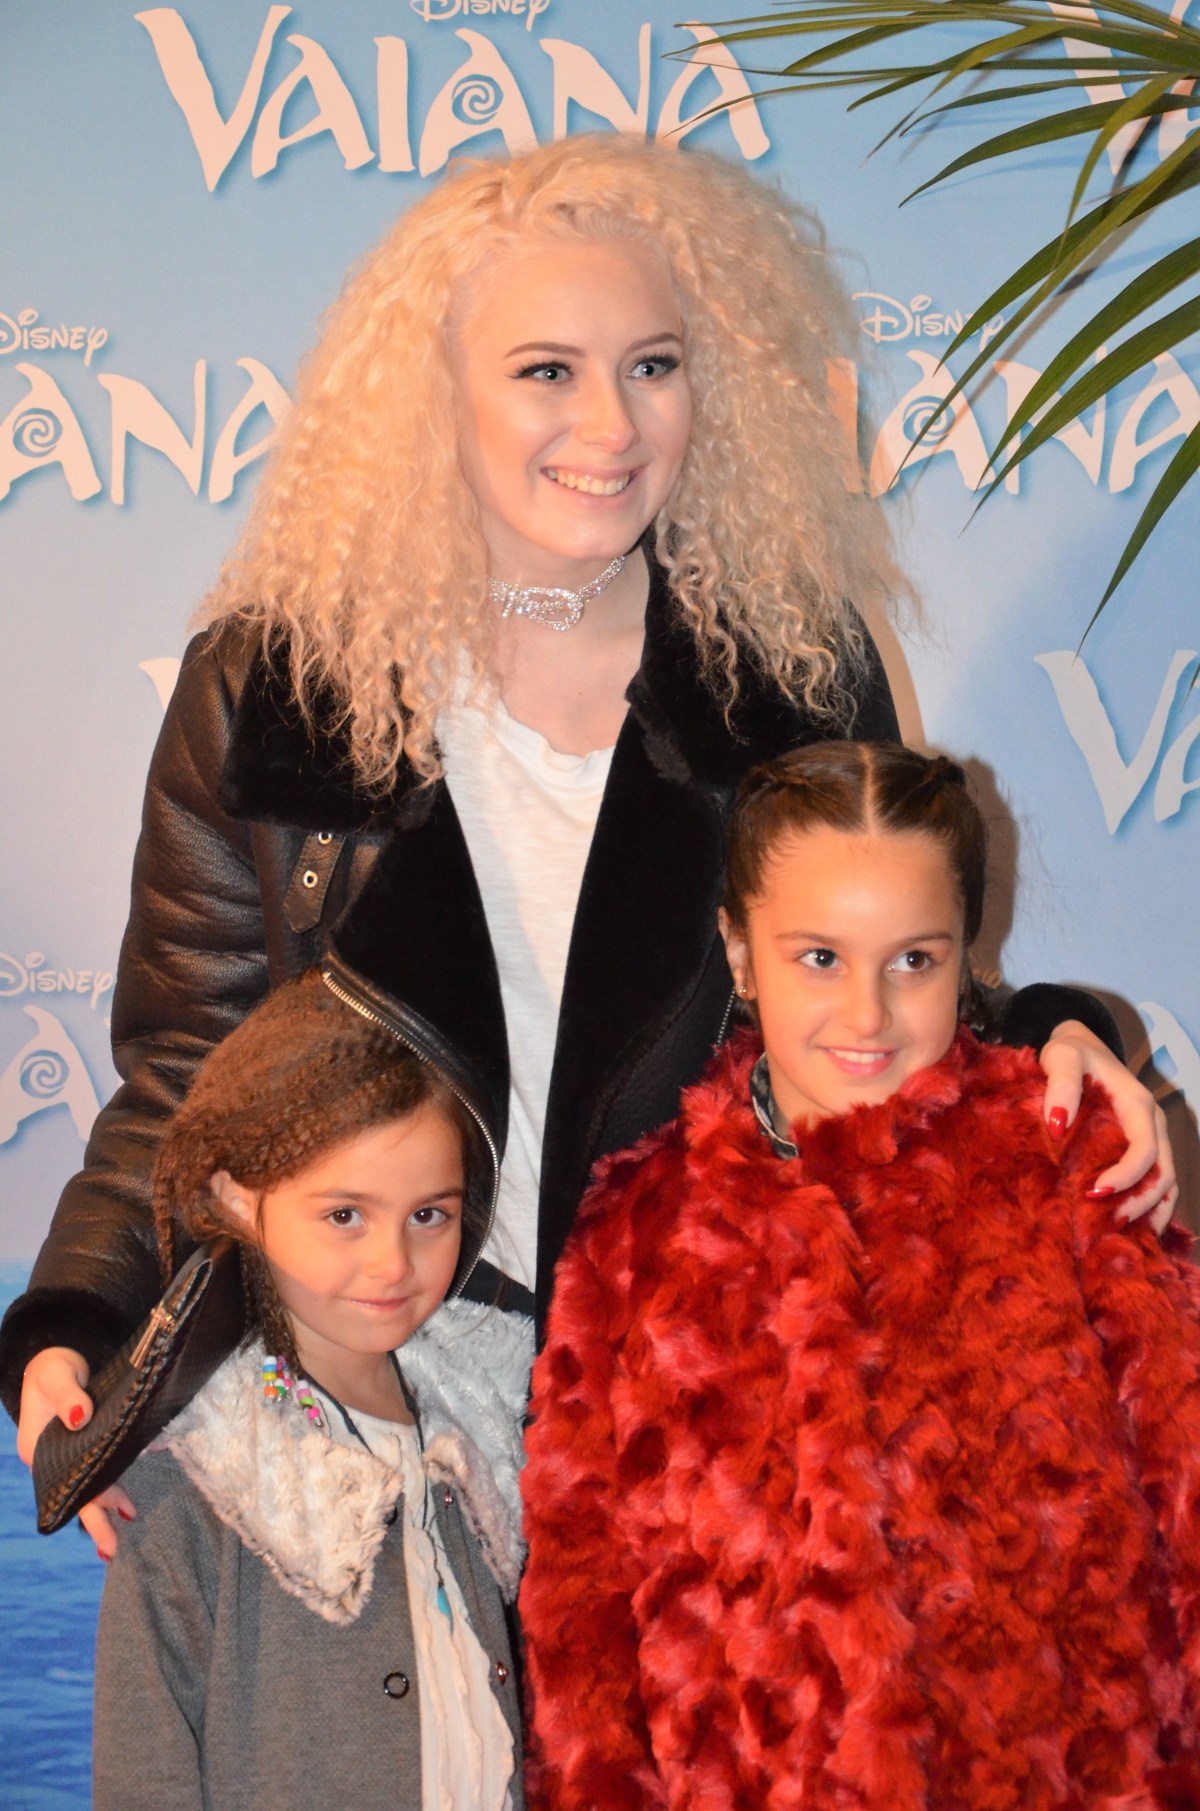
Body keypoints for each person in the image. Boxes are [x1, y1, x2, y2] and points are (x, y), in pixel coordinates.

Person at [2, 136, 1172, 1554]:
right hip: (383, 1424)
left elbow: (882, 1007)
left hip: (714, 1422)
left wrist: (1052, 1036)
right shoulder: (277, 685)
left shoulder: (786, 668)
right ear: (435, 392)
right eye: (547, 369)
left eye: (654, 364)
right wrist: (77, 1317)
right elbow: (193, 1073)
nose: (612, 424)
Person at [518, 740, 1200, 1810]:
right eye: (820, 958)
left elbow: (1187, 1472)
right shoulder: (634, 1232)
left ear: (967, 953)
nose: (869, 1014)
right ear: (741, 952)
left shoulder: (1066, 1158)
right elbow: (580, 1615)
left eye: (913, 960)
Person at [91, 970, 528, 1811]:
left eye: (428, 1214)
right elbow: (143, 1779)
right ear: (237, 1197)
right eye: (344, 1215)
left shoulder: (483, 1431)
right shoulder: (190, 1480)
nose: (392, 1262)